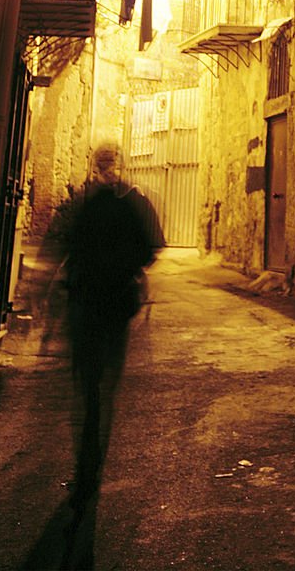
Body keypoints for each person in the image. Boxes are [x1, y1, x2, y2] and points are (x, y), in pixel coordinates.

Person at [64, 144, 163, 513]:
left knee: (89, 388)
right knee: (105, 387)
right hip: (116, 305)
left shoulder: (85, 203)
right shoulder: (132, 202)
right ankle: (94, 462)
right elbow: (152, 247)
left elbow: (68, 249)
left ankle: (86, 466)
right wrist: (128, 271)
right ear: (116, 166)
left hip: (87, 304)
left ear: (95, 166)